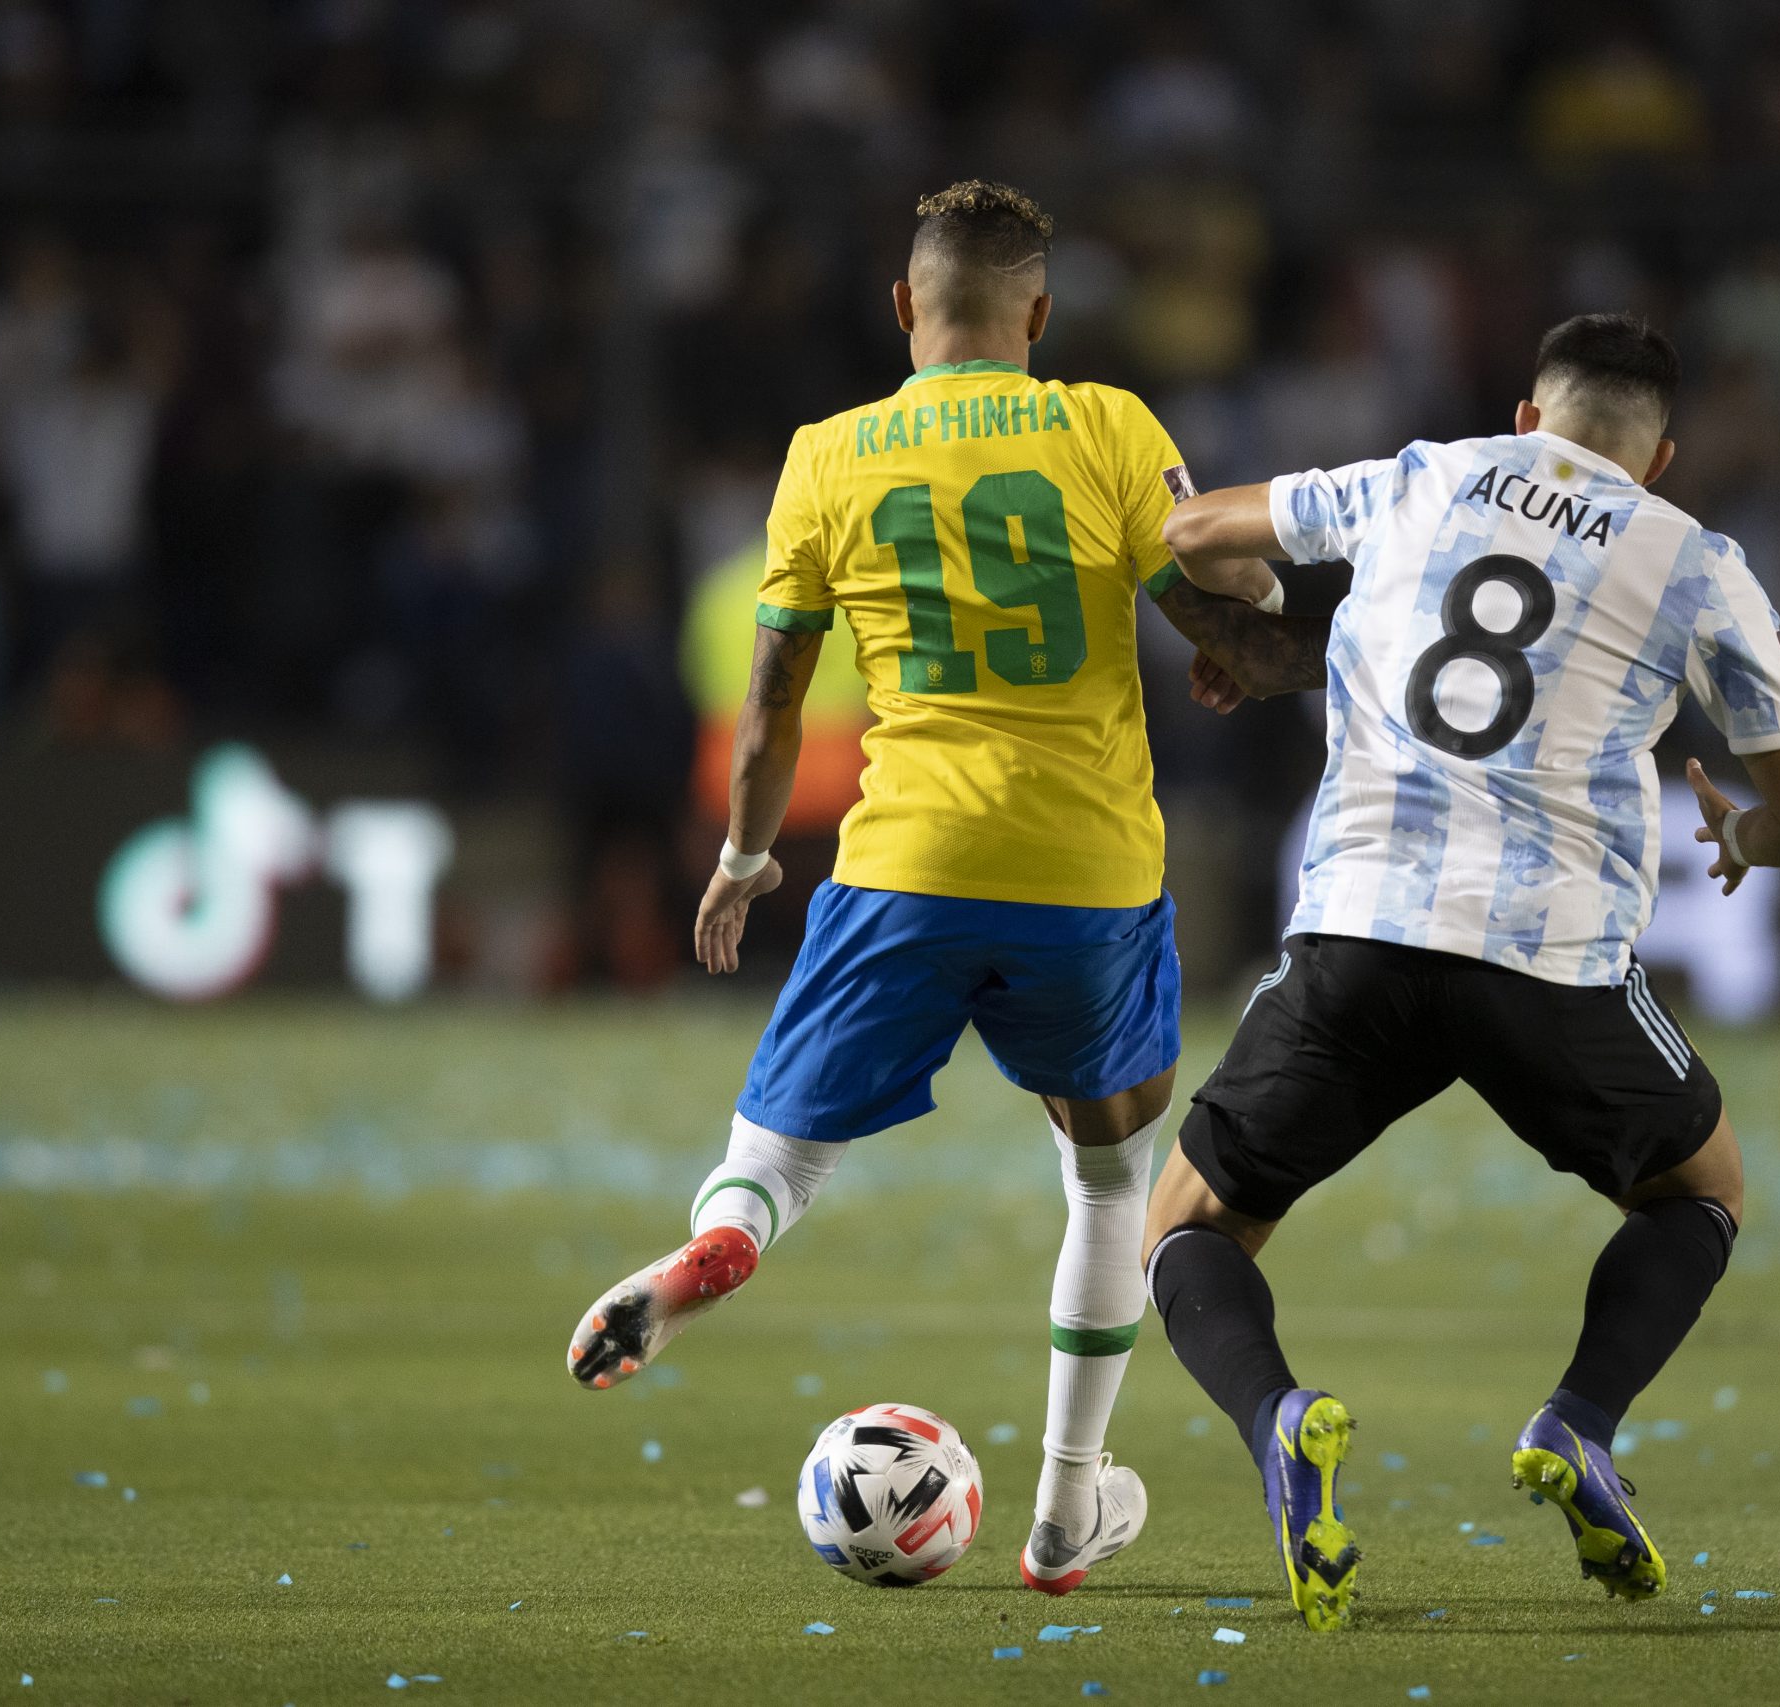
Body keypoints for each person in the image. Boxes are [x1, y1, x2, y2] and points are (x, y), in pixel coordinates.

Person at [562, 181, 1322, 1596]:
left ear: (904, 307)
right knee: (1108, 1185)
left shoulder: (827, 456)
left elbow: (773, 691)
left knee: (780, 1153)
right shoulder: (1106, 425)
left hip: (903, 858)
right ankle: (1063, 1510)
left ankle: (719, 1245)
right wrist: (1260, 650)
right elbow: (1227, 630)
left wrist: (740, 857)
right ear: (1039, 316)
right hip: (1087, 869)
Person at [1142, 314, 1780, 1629]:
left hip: (1361, 932)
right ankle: (1578, 1423)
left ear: (1528, 418)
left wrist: (1257, 632)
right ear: (1661, 456)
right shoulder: (1693, 560)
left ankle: (1280, 1419)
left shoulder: (1419, 476)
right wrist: (1743, 837)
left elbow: (1194, 536)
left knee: (1187, 1228)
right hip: (1552, 963)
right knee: (1700, 1192)